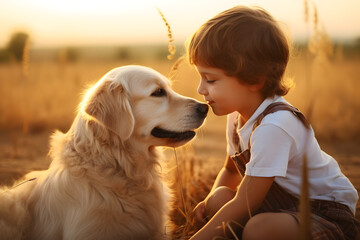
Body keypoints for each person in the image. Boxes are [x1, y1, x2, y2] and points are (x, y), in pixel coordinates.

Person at [186, 5, 360, 240]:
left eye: (211, 79)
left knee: (258, 230)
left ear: (255, 80)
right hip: (278, 206)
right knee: (218, 199)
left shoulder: (274, 126)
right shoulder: (236, 117)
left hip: (322, 211)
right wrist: (208, 204)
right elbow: (230, 170)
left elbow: (246, 202)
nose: (200, 89)